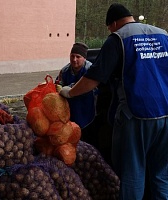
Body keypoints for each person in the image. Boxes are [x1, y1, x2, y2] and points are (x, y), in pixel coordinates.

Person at [59, 3, 168, 199]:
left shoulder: (118, 37)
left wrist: (70, 92)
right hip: (166, 115)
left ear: (114, 23)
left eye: (109, 27)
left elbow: (94, 78)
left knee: (133, 173)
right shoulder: (163, 34)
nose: (110, 30)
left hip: (138, 115)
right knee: (160, 175)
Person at [55, 43, 98, 145]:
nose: (74, 59)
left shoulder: (91, 70)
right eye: (72, 56)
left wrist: (70, 88)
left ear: (84, 58)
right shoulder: (65, 71)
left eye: (78, 57)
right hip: (71, 113)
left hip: (88, 111)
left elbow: (90, 86)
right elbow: (57, 84)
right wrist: (57, 87)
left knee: (87, 142)